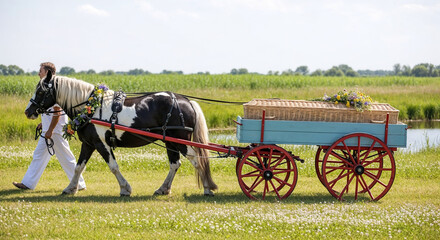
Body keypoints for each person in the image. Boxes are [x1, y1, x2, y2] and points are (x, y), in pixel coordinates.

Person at [13, 62, 86, 191]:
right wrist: (44, 123)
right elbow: (50, 110)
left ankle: (79, 184)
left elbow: (57, 112)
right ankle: (28, 184)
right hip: (49, 129)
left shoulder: (55, 87)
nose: (38, 73)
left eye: (40, 70)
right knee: (39, 156)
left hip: (55, 131)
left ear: (47, 72)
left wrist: (50, 130)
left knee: (66, 158)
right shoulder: (47, 86)